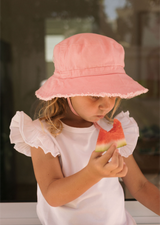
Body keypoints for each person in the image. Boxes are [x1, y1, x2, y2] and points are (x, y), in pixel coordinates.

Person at [9, 33, 160, 225]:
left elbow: (140, 185)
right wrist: (93, 173)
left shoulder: (110, 129)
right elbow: (53, 196)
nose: (107, 105)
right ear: (66, 93)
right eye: (95, 95)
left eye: (113, 95)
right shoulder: (43, 134)